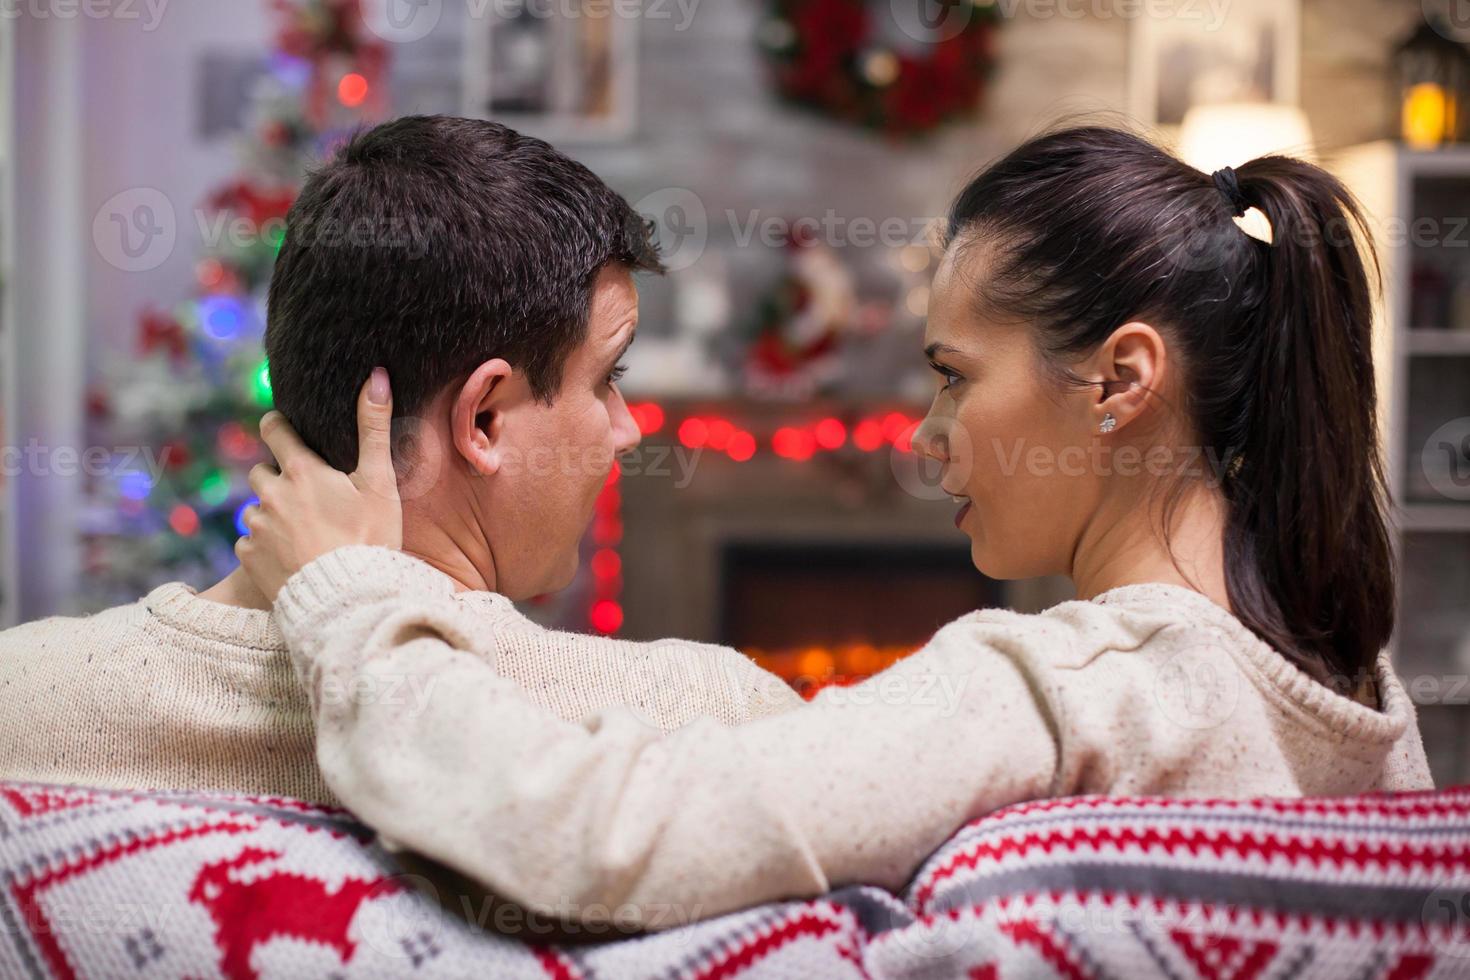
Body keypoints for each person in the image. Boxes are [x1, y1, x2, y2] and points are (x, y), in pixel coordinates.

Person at [237, 126, 1433, 927]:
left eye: (955, 376)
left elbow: (604, 829)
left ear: (1122, 378)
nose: (925, 435)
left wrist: (347, 595)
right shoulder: (1348, 676)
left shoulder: (1064, 689)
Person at [0, 116, 798, 804]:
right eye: (608, 379)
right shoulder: (700, 725)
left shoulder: (26, 703)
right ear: (482, 418)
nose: (626, 431)